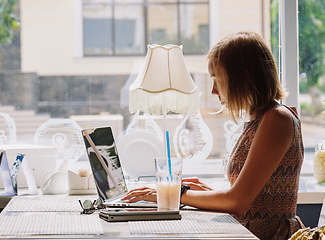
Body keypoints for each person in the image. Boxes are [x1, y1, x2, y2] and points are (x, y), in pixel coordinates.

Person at [121, 31, 305, 240]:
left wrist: (176, 194)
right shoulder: (261, 118)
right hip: (244, 232)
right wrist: (202, 191)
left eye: (218, 79)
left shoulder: (277, 120)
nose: (214, 91)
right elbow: (252, 198)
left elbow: (237, 202)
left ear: (242, 77)